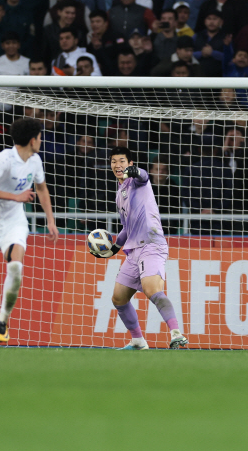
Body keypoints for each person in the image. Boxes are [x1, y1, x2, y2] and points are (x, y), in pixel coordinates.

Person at [0, 117, 59, 348]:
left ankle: (3, 318)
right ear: (32, 140)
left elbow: (41, 188)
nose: (41, 140)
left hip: (14, 222)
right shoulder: (4, 159)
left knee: (15, 267)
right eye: (39, 137)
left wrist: (50, 219)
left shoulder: (35, 160)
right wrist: (16, 197)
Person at [90, 146, 188, 350]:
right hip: (133, 250)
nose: (118, 165)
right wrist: (115, 248)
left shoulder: (137, 181)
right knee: (119, 297)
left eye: (122, 161)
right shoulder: (119, 193)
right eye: (114, 161)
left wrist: (138, 171)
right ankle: (138, 341)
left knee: (152, 290)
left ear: (130, 164)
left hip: (152, 244)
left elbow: (144, 176)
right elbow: (127, 226)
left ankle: (176, 333)